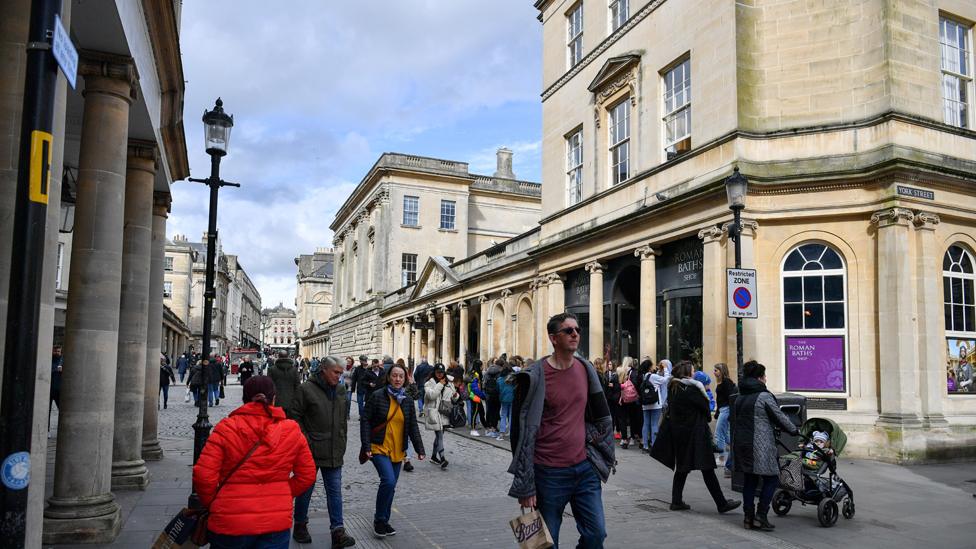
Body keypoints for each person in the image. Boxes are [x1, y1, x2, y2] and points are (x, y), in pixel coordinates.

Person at [508, 313, 614, 549]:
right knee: (542, 544)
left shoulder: (587, 371)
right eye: (568, 331)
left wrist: (600, 451)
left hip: (585, 469)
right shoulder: (532, 377)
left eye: (577, 329)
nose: (575, 334)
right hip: (547, 473)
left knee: (597, 535)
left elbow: (600, 417)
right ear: (554, 338)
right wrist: (526, 484)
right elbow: (519, 435)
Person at [192, 376, 316, 548]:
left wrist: (214, 501)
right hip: (275, 521)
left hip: (231, 519)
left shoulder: (226, 428)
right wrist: (283, 493)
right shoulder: (291, 430)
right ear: (273, 398)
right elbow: (307, 475)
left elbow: (203, 474)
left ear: (244, 399)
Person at [653, 360, 740, 515]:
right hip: (696, 434)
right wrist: (704, 393)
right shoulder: (691, 389)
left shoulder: (674, 388)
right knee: (707, 469)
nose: (694, 373)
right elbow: (707, 412)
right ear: (687, 373)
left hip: (680, 435)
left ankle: (677, 501)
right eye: (692, 370)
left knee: (682, 468)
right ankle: (721, 503)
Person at [289, 356, 356, 547]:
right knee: (305, 490)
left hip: (334, 450)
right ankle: (300, 525)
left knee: (335, 491)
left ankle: (338, 531)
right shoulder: (306, 389)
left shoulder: (341, 389)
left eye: (341, 373)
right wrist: (306, 441)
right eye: (336, 372)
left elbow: (342, 419)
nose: (339, 376)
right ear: (324, 370)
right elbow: (295, 417)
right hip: (310, 451)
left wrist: (342, 438)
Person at [360, 363, 425, 538]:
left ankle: (384, 521)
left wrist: (419, 449)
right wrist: (366, 445)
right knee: (388, 481)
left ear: (405, 380)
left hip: (398, 449)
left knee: (392, 487)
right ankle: (379, 520)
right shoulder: (377, 396)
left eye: (401, 376)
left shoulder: (407, 400)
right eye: (394, 376)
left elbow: (412, 426)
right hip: (379, 446)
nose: (397, 379)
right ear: (389, 377)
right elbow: (365, 420)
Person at [733, 360, 799, 531]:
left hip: (741, 443)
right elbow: (780, 417)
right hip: (759, 444)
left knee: (750, 479)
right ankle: (761, 515)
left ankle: (748, 517)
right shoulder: (764, 396)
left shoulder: (739, 397)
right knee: (772, 478)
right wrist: (794, 430)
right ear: (760, 377)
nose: (766, 379)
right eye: (764, 376)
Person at [423, 363, 457, 469]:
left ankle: (433, 456)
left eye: (442, 372)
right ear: (434, 372)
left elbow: (453, 396)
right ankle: (442, 458)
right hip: (434, 413)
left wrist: (455, 396)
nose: (440, 374)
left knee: (439, 435)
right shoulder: (429, 383)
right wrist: (440, 384)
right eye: (438, 372)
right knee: (440, 436)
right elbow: (432, 395)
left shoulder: (449, 383)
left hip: (444, 412)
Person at [713, 362, 736, 469]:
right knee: (726, 435)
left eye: (716, 370)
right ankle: (735, 452)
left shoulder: (727, 382)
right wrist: (717, 411)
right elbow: (720, 399)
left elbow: (730, 397)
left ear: (722, 371)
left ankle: (722, 458)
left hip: (726, 410)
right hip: (723, 409)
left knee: (719, 434)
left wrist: (730, 413)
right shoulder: (722, 382)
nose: (714, 372)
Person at [616, 357, 642, 449]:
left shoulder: (620, 371)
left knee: (622, 419)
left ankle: (624, 439)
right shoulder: (634, 372)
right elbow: (637, 384)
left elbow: (616, 385)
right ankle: (632, 437)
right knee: (632, 418)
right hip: (632, 399)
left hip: (622, 398)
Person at [269, 350, 300, 417]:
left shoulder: (272, 369)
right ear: (288, 356)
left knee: (278, 424)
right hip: (291, 402)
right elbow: (298, 386)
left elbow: (269, 386)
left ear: (278, 356)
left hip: (276, 402)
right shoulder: (294, 370)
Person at [483, 358, 504, 438]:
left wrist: (485, 390)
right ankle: (494, 427)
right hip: (497, 394)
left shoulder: (488, 370)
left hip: (488, 393)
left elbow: (484, 381)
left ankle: (488, 426)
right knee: (496, 410)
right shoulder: (501, 372)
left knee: (489, 410)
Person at [497, 361, 516, 441]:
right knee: (511, 415)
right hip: (512, 398)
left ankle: (502, 432)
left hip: (504, 398)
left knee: (503, 415)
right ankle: (511, 432)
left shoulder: (500, 379)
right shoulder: (514, 378)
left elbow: (498, 389)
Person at [50, 345, 63, 414]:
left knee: (62, 410)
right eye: (55, 351)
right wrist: (56, 370)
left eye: (58, 351)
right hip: (49, 390)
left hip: (59, 390)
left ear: (61, 352)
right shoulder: (49, 360)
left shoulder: (63, 360)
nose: (57, 352)